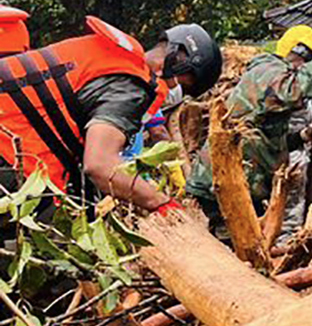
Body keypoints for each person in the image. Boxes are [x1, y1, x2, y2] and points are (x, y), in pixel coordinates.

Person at [0, 18, 221, 212]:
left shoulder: (112, 57)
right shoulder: (131, 88)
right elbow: (99, 166)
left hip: (10, 145)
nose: (173, 88)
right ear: (177, 62)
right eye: (180, 83)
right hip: (7, 154)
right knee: (46, 226)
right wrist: (159, 202)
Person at [187, 25, 312, 226]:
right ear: (300, 53)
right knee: (233, 239)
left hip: (244, 176)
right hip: (222, 180)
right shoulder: (268, 72)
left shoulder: (278, 75)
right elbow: (293, 92)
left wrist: (303, 136)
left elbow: (269, 138)